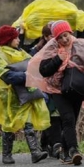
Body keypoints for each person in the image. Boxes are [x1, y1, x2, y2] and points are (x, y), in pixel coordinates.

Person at [27, 20, 84, 165]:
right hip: (57, 90)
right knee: (67, 119)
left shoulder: (81, 45)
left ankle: (64, 151)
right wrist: (58, 59)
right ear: (56, 39)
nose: (64, 39)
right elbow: (44, 71)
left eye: (66, 35)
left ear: (70, 33)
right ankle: (74, 150)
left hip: (76, 88)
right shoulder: (52, 49)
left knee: (71, 122)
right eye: (60, 37)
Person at [0, 25, 50, 165]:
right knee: (8, 125)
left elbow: (33, 64)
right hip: (9, 98)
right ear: (8, 40)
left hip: (25, 95)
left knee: (28, 122)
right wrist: (25, 76)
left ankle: (35, 152)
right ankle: (7, 154)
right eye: (15, 38)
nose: (18, 40)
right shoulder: (0, 57)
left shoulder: (21, 52)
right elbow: (6, 76)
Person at [30, 24, 62, 160]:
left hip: (57, 88)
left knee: (55, 117)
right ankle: (51, 144)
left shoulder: (60, 48)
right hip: (42, 89)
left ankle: (51, 145)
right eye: (51, 36)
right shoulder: (36, 50)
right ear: (45, 36)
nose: (54, 38)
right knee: (48, 117)